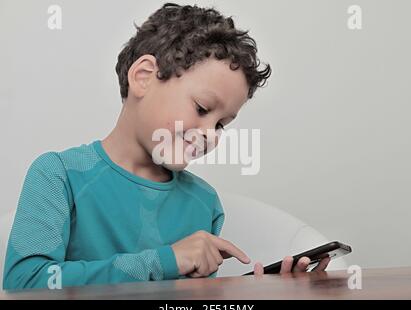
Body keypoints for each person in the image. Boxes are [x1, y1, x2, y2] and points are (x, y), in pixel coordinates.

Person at [3, 3, 329, 290]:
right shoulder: (59, 175)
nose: (210, 134)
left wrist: (263, 291)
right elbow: (25, 283)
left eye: (220, 125)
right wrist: (165, 260)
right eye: (201, 109)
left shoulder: (204, 204)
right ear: (144, 77)